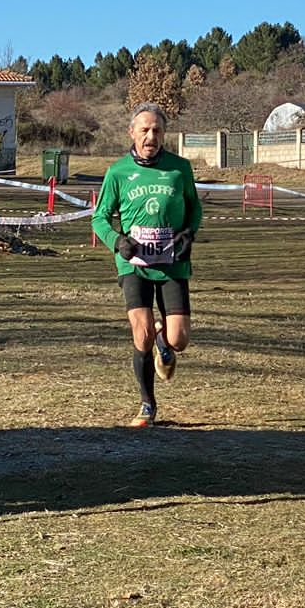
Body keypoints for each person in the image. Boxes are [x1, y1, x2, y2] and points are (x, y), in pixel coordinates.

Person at [93, 105, 203, 428]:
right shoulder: (118, 172)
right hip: (135, 264)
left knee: (179, 340)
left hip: (172, 263)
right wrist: (116, 241)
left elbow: (195, 208)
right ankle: (147, 404)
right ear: (132, 133)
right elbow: (100, 217)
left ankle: (163, 340)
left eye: (156, 130)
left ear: (163, 134)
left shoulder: (179, 169)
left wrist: (189, 233)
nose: (150, 137)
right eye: (144, 130)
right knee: (140, 336)